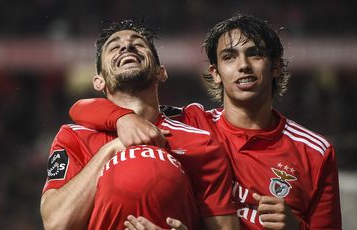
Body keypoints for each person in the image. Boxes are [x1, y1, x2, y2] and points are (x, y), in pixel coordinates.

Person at [70, 14, 342, 230]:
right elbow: (85, 108)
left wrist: (298, 229)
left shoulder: (315, 152)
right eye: (229, 57)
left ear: (276, 66)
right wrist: (123, 117)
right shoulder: (192, 123)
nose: (243, 65)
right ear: (215, 73)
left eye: (255, 54)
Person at [40, 19, 239, 230]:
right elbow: (56, 223)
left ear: (160, 72)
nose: (126, 46)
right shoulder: (74, 136)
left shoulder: (200, 141)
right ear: (99, 81)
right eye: (114, 46)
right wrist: (113, 148)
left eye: (138, 43)